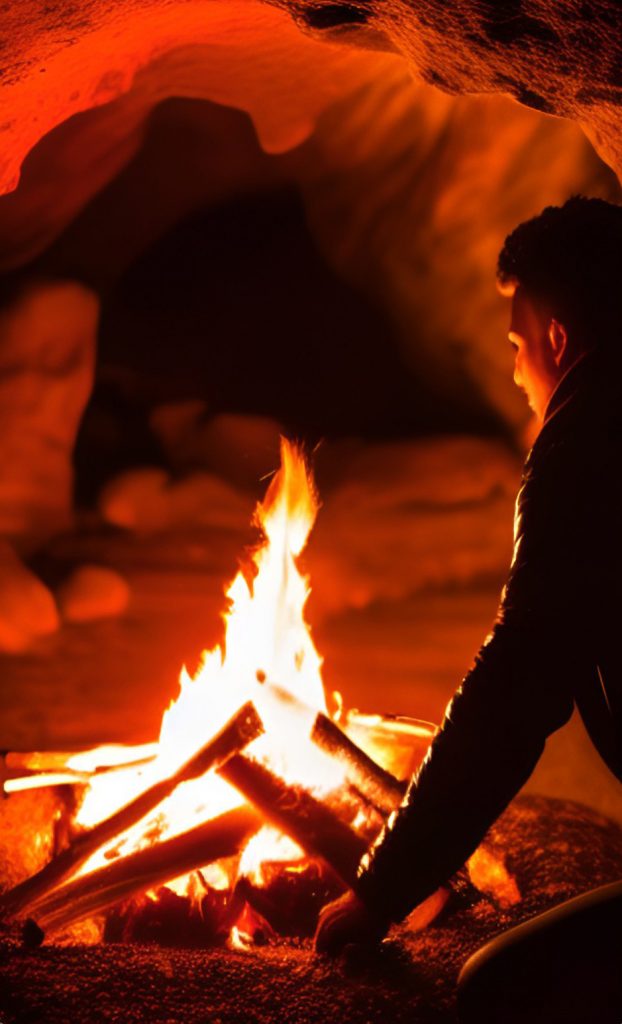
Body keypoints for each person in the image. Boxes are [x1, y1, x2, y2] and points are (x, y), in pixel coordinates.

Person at [314, 196, 622, 1022]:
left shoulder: (586, 444)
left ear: (557, 340)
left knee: (499, 991)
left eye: (518, 345)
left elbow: (516, 687)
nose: (516, 371)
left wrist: (380, 890)